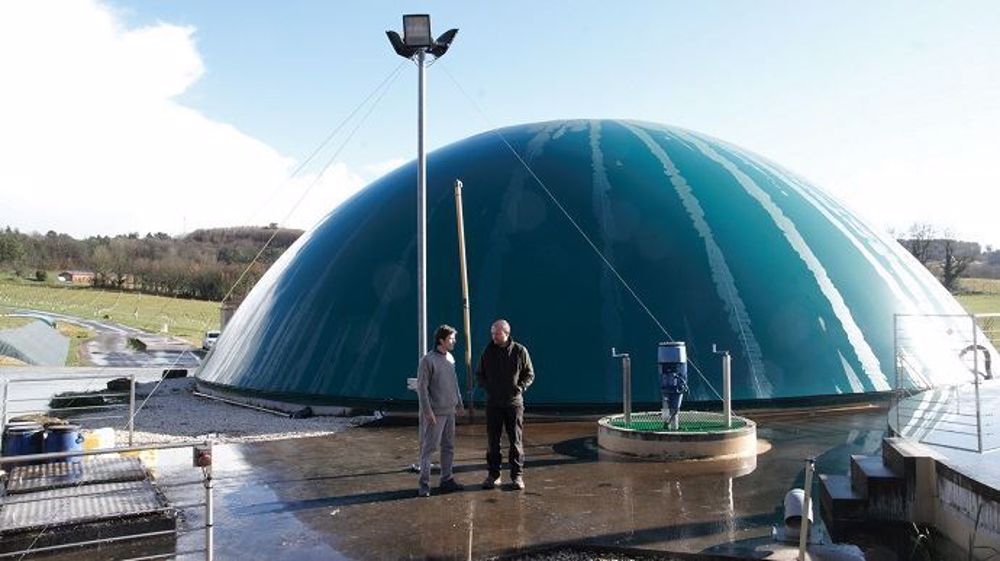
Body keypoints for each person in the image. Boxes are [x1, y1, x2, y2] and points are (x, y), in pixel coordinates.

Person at [476, 319, 534, 491]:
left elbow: (529, 374)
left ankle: (517, 476)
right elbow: (479, 374)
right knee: (493, 441)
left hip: (513, 403)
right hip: (493, 403)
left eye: (497, 333)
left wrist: (520, 388)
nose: (494, 336)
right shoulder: (487, 351)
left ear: (506, 333)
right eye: (492, 333)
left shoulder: (519, 351)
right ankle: (493, 475)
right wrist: (488, 387)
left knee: (515, 441)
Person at [416, 324, 466, 497]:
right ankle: (424, 485)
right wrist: (427, 411)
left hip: (450, 411)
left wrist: (459, 403)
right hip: (435, 413)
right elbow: (422, 388)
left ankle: (447, 480)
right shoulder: (427, 360)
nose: (454, 341)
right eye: (451, 338)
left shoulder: (450, 358)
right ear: (441, 340)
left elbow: (454, 382)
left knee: (449, 447)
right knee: (429, 449)